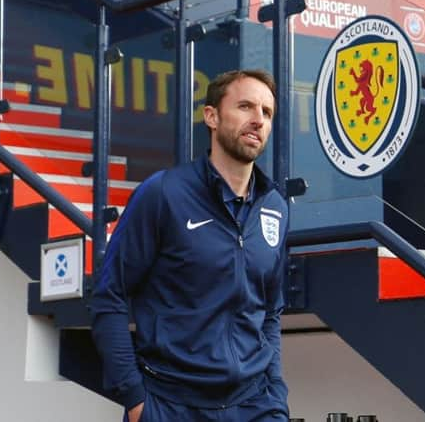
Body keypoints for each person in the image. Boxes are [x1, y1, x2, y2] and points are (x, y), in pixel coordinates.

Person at [89, 69, 289, 422]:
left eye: (267, 112)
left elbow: (270, 311)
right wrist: (136, 400)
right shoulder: (164, 193)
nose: (258, 120)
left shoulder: (274, 207)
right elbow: (110, 296)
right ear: (211, 116)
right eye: (245, 106)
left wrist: (276, 391)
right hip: (171, 405)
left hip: (255, 404)